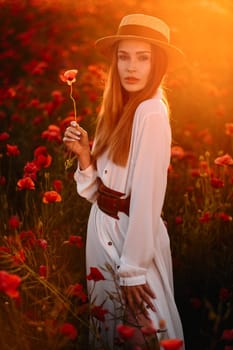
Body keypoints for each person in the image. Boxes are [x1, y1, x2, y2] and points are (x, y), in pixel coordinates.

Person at [63, 13, 185, 349]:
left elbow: (146, 198)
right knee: (108, 331)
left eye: (143, 58)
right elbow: (98, 192)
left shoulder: (151, 112)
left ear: (156, 64)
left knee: (146, 332)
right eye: (124, 57)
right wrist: (85, 156)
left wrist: (133, 270)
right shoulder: (119, 107)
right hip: (101, 231)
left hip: (132, 239)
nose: (131, 67)